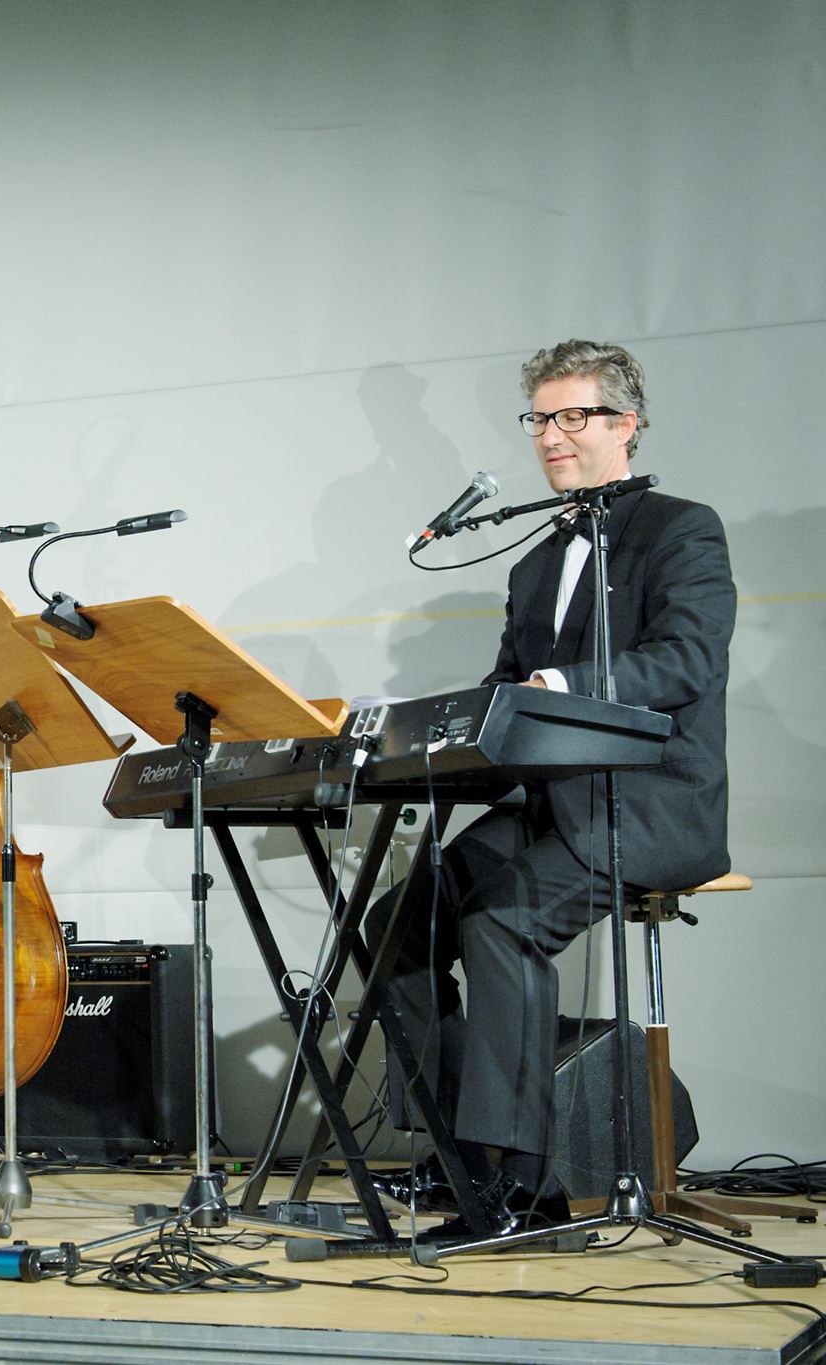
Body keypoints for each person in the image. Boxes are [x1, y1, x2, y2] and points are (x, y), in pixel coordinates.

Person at [369, 339, 735, 1236]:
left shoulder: (682, 528)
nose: (553, 436)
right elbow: (505, 692)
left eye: (575, 416)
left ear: (627, 423)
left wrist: (564, 687)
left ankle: (523, 1188)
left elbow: (685, 660)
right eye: (541, 418)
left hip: (646, 804)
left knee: (502, 919)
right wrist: (420, 731)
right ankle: (457, 1156)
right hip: (547, 803)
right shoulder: (534, 563)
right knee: (392, 925)